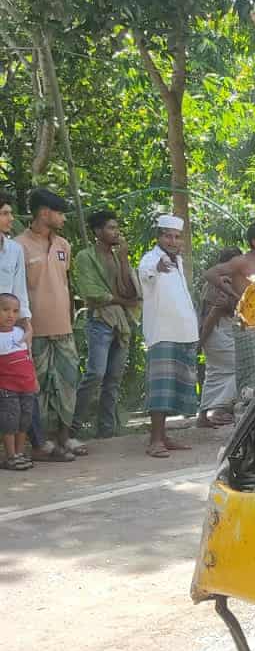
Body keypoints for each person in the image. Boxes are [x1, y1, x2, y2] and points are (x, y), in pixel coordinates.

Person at [16, 188, 85, 462]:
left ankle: (63, 438)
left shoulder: (64, 245)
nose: (64, 218)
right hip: (34, 331)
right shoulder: (18, 246)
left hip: (64, 329)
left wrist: (70, 321)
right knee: (37, 388)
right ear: (44, 213)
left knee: (68, 382)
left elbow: (66, 286)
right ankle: (40, 443)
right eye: (60, 212)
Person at [71, 208, 141, 440]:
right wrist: (122, 300)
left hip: (121, 323)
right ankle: (73, 427)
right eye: (110, 227)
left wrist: (123, 259)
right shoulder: (85, 257)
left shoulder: (117, 256)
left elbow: (129, 289)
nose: (116, 232)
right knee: (96, 373)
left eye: (116, 227)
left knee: (113, 378)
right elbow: (91, 292)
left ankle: (106, 429)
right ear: (98, 231)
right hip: (100, 320)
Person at [202, 219, 255, 403]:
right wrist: (233, 294)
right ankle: (246, 412)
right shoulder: (241, 261)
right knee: (249, 374)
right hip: (246, 324)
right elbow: (210, 274)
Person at [137, 213, 199, 459]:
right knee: (160, 387)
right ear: (159, 236)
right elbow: (147, 272)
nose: (172, 241)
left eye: (176, 237)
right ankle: (155, 441)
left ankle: (164, 437)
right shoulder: (151, 259)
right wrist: (158, 267)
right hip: (162, 332)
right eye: (167, 236)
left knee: (176, 387)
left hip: (184, 331)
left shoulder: (179, 261)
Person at [196, 246, 241, 429]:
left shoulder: (234, 281)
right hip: (217, 332)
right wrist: (201, 341)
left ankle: (203, 415)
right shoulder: (218, 283)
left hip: (223, 332)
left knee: (215, 374)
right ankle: (221, 410)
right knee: (241, 367)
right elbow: (210, 315)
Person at [0, 290, 38, 471]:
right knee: (10, 422)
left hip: (27, 387)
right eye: (5, 310)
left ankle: (20, 453)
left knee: (24, 421)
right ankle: (10, 456)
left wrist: (34, 380)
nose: (10, 315)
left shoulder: (21, 332)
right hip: (7, 389)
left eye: (15, 311)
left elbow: (28, 359)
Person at [0, 191, 32, 343]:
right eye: (5, 213)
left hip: (8, 330)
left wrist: (26, 324)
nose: (11, 218)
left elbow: (20, 290)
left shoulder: (15, 249)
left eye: (11, 213)